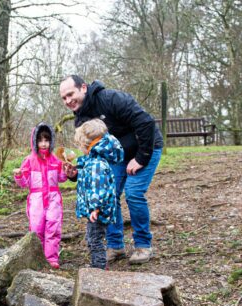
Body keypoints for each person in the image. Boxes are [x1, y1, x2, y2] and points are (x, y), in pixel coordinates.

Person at [59, 75, 163, 264]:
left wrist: (140, 158)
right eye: (64, 98)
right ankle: (116, 246)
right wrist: (76, 174)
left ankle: (143, 245)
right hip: (116, 156)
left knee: (133, 192)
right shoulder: (81, 119)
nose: (68, 101)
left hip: (146, 146)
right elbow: (94, 159)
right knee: (109, 194)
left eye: (70, 94)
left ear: (83, 88)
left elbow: (146, 123)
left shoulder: (111, 98)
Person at [13, 122, 68, 269]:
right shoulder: (29, 160)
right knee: (36, 229)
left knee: (53, 226)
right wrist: (19, 176)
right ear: (35, 141)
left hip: (53, 198)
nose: (43, 144)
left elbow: (62, 178)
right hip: (36, 200)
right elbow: (24, 183)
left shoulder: (56, 160)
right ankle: (38, 258)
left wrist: (66, 170)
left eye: (47, 140)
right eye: (40, 140)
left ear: (51, 141)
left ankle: (51, 258)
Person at [71, 118, 124, 269]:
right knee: (92, 238)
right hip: (98, 210)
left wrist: (95, 208)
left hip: (98, 211)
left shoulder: (96, 164)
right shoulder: (93, 160)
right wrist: (75, 171)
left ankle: (99, 269)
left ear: (88, 144)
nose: (80, 149)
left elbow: (99, 188)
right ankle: (98, 265)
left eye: (80, 145)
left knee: (95, 240)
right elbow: (88, 179)